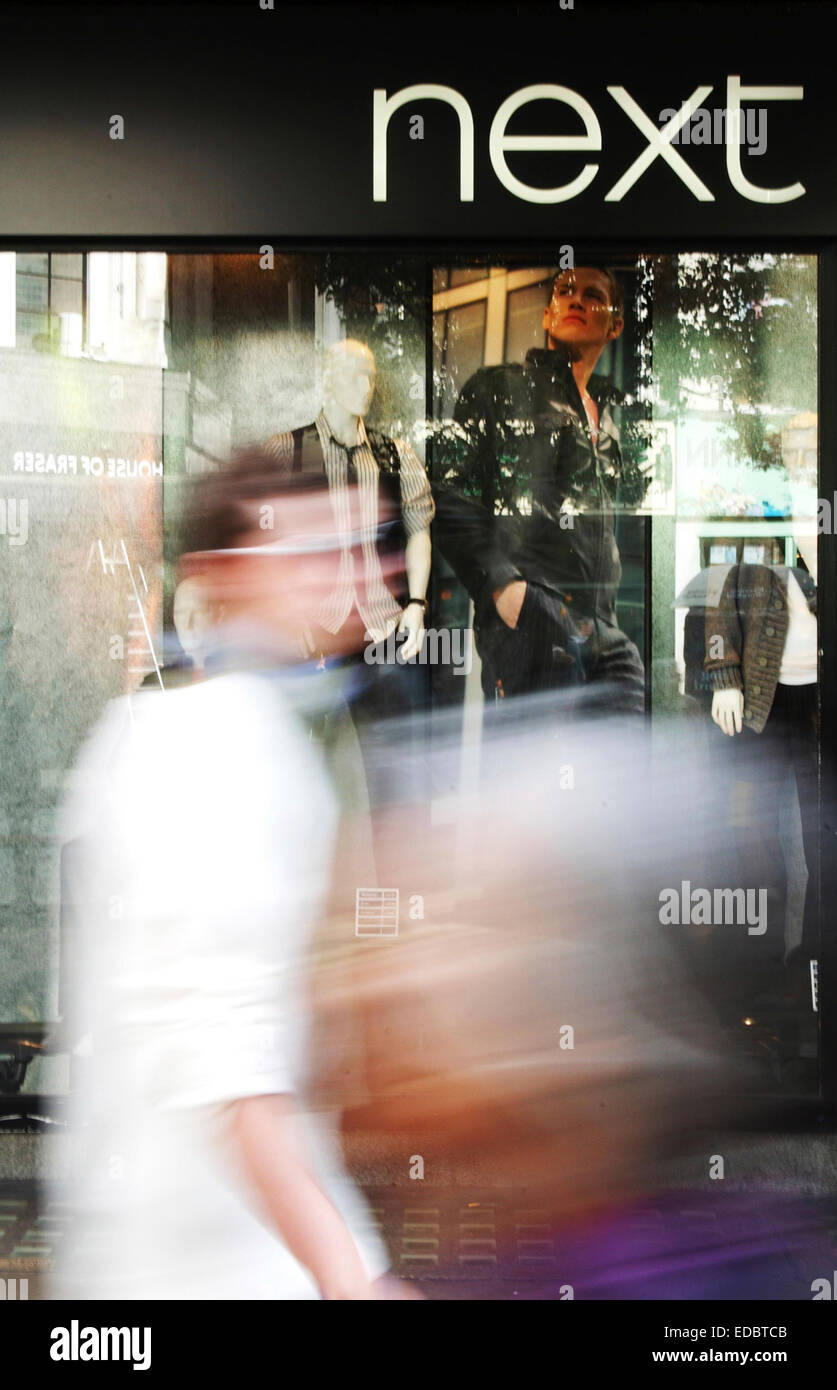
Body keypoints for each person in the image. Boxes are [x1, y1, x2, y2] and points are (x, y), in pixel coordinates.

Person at [49, 452, 418, 1300]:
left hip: (213, 1249)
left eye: (360, 545)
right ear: (219, 578)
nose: (352, 572)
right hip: (201, 1264)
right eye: (309, 553)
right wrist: (349, 1279)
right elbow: (224, 1065)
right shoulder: (216, 748)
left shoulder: (216, 734)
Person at [433, 266, 648, 714]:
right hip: (533, 615)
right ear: (548, 316)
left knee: (613, 772)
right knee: (533, 774)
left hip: (604, 632)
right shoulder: (500, 388)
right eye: (564, 293)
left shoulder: (607, 422)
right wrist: (504, 588)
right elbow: (447, 493)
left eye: (591, 295)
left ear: (616, 325)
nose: (575, 301)